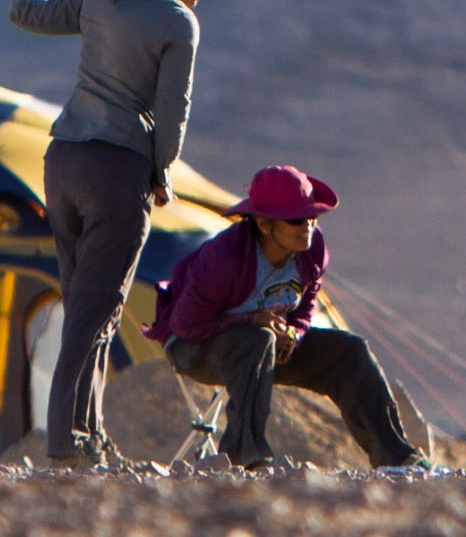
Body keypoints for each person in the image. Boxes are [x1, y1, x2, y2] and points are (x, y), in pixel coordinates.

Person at [6, 0, 212, 466]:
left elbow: (27, 12)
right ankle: (65, 444)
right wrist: (161, 171)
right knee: (97, 312)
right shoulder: (177, 23)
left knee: (83, 304)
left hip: (64, 160)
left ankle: (88, 435)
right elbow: (174, 114)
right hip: (117, 171)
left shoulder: (99, 1)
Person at [146, 165, 427, 471]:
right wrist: (253, 322)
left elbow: (307, 303)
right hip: (195, 348)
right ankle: (245, 456)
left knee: (350, 352)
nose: (306, 226)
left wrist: (294, 333)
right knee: (257, 339)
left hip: (263, 349)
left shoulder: (312, 249)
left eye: (311, 217)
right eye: (295, 219)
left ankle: (398, 460)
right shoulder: (224, 258)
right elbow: (185, 325)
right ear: (265, 225)